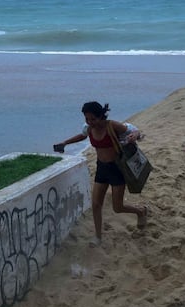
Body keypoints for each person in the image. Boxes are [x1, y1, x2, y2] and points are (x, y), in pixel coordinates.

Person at [53, 101, 148, 246]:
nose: (90, 122)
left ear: (101, 116)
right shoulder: (89, 128)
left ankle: (140, 211)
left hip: (117, 169)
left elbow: (135, 131)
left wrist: (134, 136)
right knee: (96, 204)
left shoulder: (112, 125)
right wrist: (65, 143)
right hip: (101, 169)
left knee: (118, 207)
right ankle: (98, 237)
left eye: (93, 119)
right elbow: (82, 136)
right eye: (87, 119)